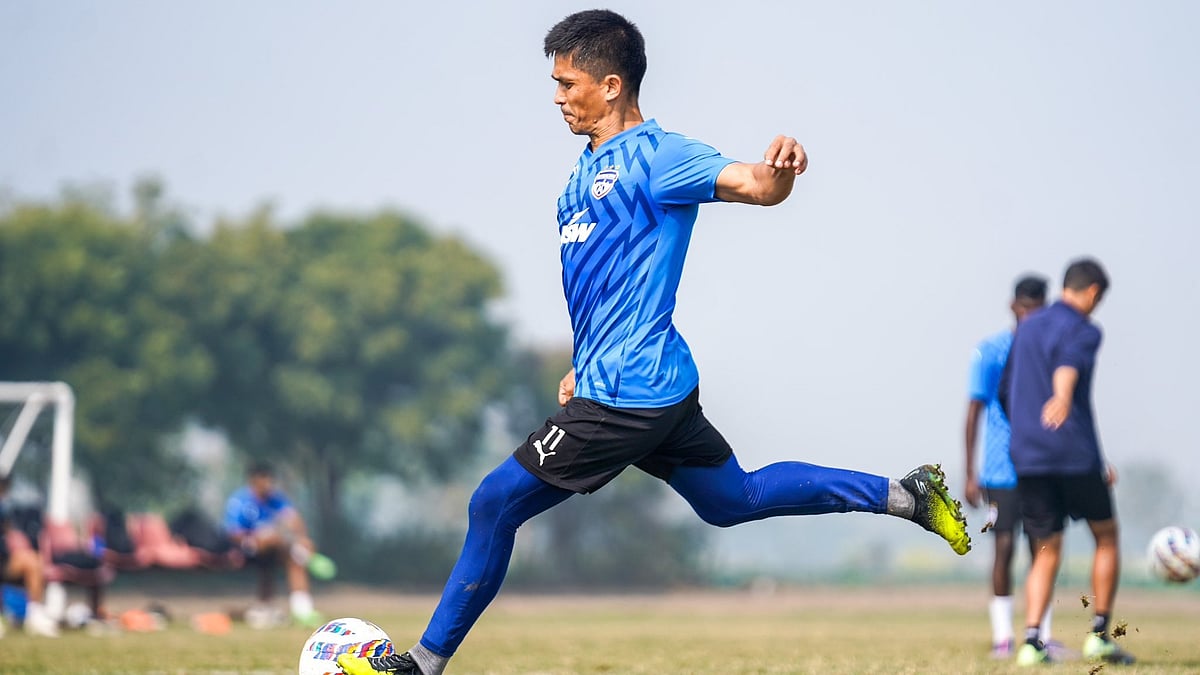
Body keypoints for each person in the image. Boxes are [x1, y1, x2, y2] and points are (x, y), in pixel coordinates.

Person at [338, 10, 970, 675]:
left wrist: (780, 172)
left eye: (567, 82)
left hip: (628, 394)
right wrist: (582, 362)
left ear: (611, 85)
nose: (556, 97)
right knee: (734, 499)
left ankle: (420, 665)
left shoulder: (659, 156)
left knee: (493, 503)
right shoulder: (577, 180)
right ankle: (908, 494)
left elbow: (754, 184)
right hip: (640, 384)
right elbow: (602, 284)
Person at [1005, 258, 1133, 666]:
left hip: (1028, 456)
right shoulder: (1084, 329)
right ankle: (1099, 633)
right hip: (1073, 454)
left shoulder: (1026, 329)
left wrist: (1027, 436)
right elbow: (1067, 368)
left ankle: (1029, 643)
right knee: (1107, 536)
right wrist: (1061, 397)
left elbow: (1007, 392)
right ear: (1092, 292)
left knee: (1045, 548)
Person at [964, 275, 1056, 658]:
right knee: (1004, 546)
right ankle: (1003, 636)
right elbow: (974, 411)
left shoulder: (1051, 352)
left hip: (1042, 466)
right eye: (1025, 310)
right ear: (1014, 307)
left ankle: (1042, 635)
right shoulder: (992, 351)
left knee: (1045, 549)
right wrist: (970, 472)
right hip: (1001, 467)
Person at [222, 461, 336, 628]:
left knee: (294, 559)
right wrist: (259, 538)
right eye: (263, 480)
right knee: (273, 540)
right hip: (246, 547)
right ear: (253, 481)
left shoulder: (276, 499)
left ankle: (302, 611)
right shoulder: (240, 500)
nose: (267, 484)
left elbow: (293, 519)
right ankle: (300, 554)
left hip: (277, 546)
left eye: (269, 480)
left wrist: (302, 538)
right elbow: (233, 533)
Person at [0, 474, 60, 637]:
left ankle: (35, 615)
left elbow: (8, 532)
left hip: (4, 562)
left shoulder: (5, 510)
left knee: (33, 561)